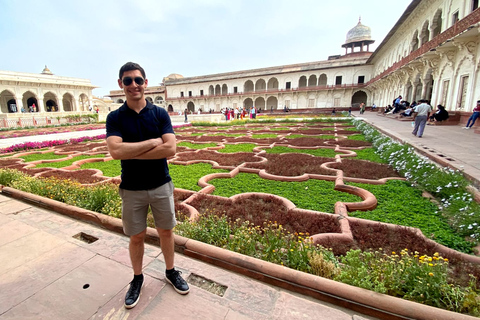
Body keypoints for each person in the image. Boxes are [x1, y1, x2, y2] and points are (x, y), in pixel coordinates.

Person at [106, 62, 189, 310]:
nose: (134, 85)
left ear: (145, 82)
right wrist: (152, 143)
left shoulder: (160, 114)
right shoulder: (115, 117)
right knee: (137, 236)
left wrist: (130, 152)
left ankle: (171, 271)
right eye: (128, 80)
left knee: (166, 231)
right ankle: (137, 278)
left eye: (138, 80)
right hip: (132, 188)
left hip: (160, 184)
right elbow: (115, 151)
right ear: (121, 84)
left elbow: (171, 149)